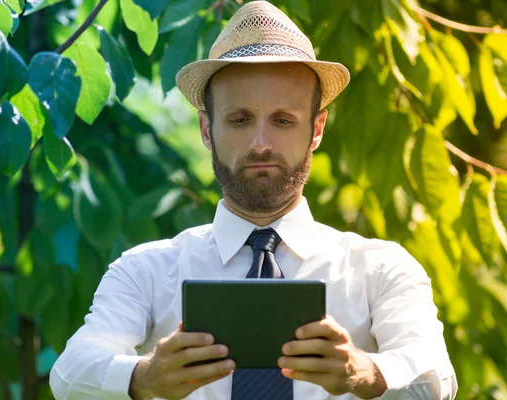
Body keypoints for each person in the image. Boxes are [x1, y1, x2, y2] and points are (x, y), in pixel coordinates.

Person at [50, 1, 458, 399]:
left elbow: (437, 379)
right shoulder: (145, 270)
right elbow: (69, 375)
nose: (261, 144)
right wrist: (144, 377)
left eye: (283, 120)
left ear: (316, 129)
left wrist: (365, 371)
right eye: (240, 119)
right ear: (207, 129)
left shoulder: (380, 269)